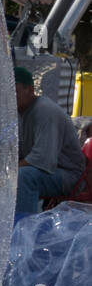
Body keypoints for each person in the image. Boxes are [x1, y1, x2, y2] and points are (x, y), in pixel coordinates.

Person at [15, 67, 84, 214]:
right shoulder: (21, 113)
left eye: (16, 92)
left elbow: (42, 160)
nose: (11, 98)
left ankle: (24, 228)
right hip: (49, 170)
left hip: (68, 176)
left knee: (23, 177)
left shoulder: (44, 111)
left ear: (30, 90)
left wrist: (9, 171)